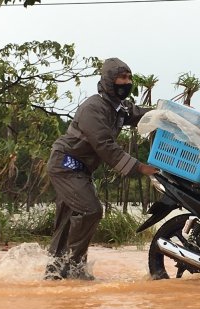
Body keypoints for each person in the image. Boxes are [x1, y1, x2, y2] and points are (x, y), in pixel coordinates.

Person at [44, 57, 158, 280]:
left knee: (67, 222)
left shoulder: (116, 108)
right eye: (122, 77)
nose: (127, 82)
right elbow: (105, 146)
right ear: (108, 80)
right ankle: (74, 269)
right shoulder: (93, 108)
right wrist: (139, 167)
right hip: (66, 164)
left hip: (79, 169)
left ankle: (54, 275)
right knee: (90, 210)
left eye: (129, 78)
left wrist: (167, 115)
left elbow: (139, 114)